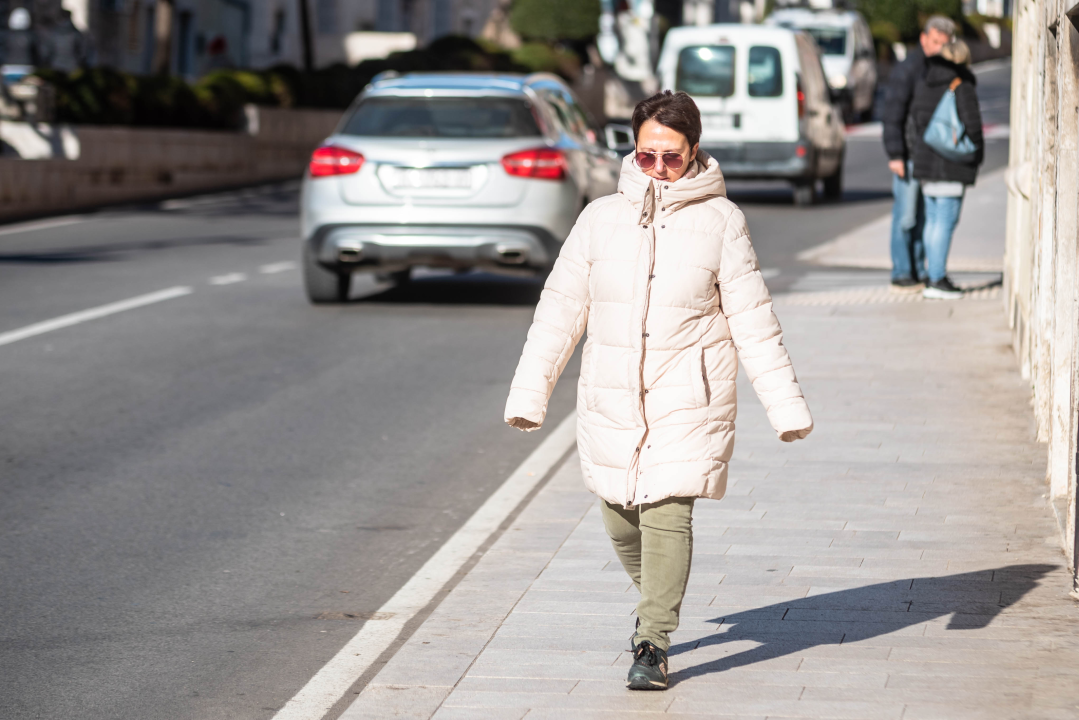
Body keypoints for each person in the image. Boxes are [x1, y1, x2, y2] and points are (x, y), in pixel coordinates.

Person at [504, 91, 813, 690]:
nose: (658, 168)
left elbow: (753, 319)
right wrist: (528, 396)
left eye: (671, 157)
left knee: (668, 511)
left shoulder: (723, 222)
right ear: (634, 150)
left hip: (689, 396)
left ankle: (653, 640)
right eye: (647, 156)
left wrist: (786, 406)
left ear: (694, 151)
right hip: (612, 396)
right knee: (621, 521)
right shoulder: (599, 218)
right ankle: (660, 596)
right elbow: (559, 312)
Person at [881, 15, 955, 292]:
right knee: (906, 215)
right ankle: (902, 271)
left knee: (923, 216)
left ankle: (918, 268)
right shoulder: (909, 68)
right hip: (909, 156)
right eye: (935, 41)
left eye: (943, 43)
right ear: (924, 38)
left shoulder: (941, 69)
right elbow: (893, 113)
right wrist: (896, 154)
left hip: (928, 157)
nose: (937, 47)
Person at [909, 40, 984, 299]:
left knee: (932, 221)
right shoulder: (960, 84)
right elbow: (972, 125)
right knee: (946, 222)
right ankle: (937, 279)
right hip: (951, 165)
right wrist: (977, 154)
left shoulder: (925, 80)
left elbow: (915, 121)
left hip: (926, 164)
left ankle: (934, 274)